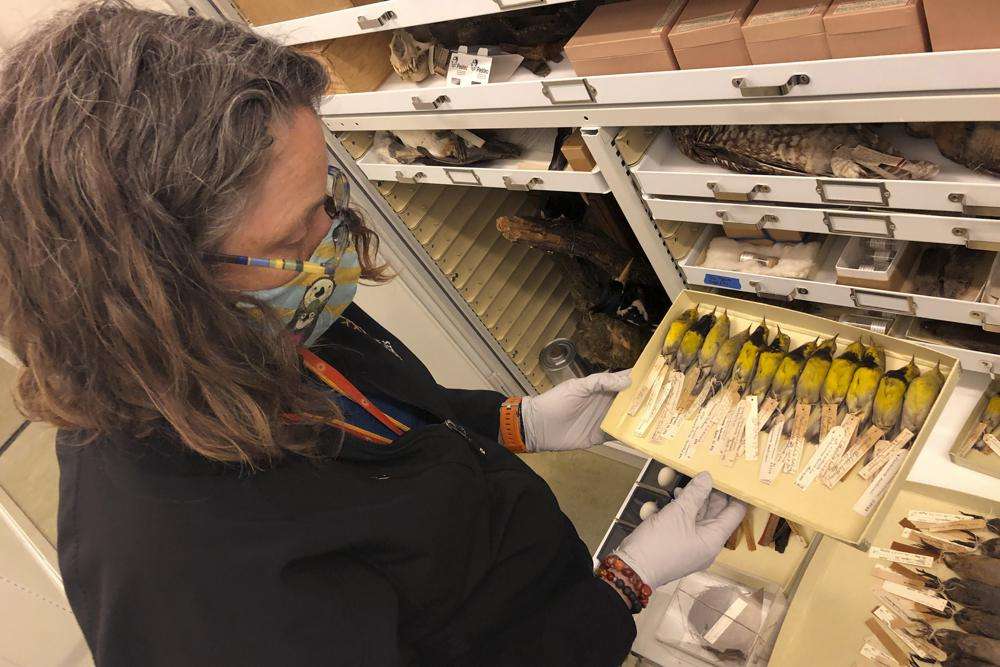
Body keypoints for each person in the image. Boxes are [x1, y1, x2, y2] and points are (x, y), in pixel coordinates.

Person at [0, 3, 746, 665]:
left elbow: (376, 414)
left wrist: (516, 421)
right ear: (155, 292)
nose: (335, 247)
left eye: (328, 202)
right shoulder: (194, 588)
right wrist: (621, 586)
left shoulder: (260, 313)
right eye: (296, 236)